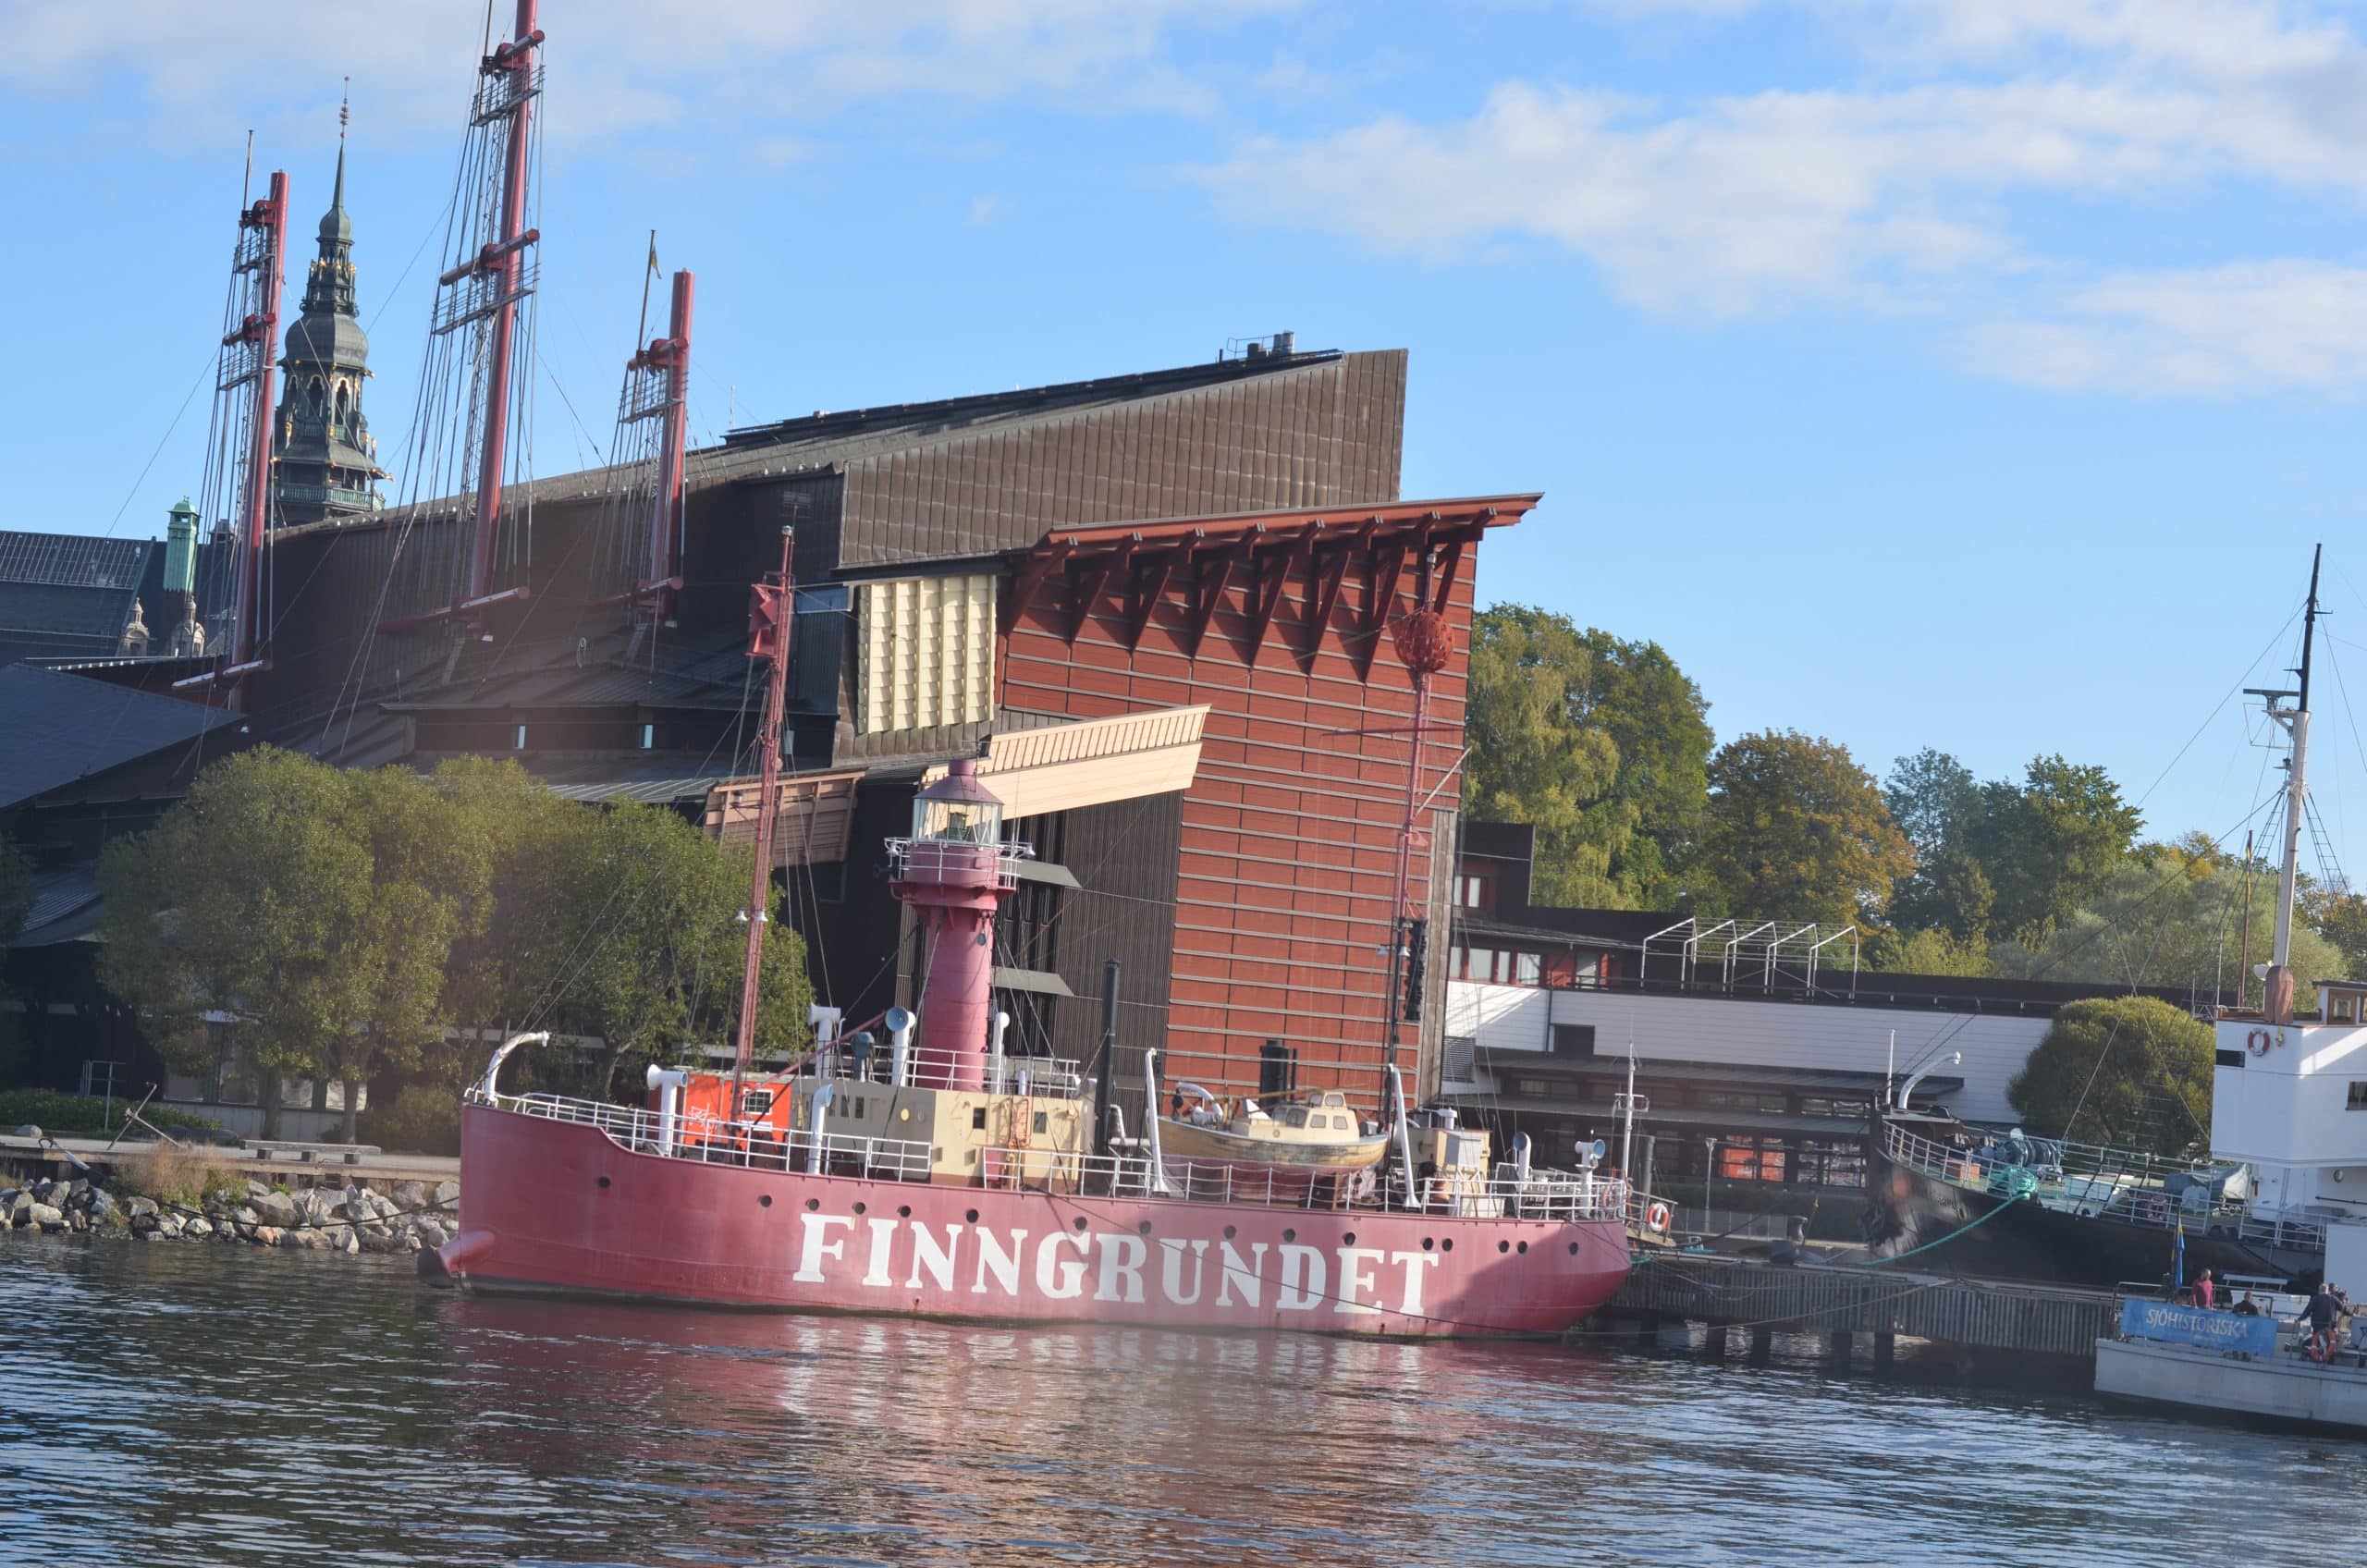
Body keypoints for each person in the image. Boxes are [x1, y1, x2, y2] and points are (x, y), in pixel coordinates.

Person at [2301, 1282, 2342, 1364]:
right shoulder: (2333, 1298)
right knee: (2330, 1344)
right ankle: (2329, 1362)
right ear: (2327, 1290)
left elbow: (2307, 1311)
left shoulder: (2315, 1299)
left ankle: (2316, 1361)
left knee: (2315, 1344)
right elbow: (2342, 1308)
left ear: (2319, 1290)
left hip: (2317, 1326)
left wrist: (2300, 1319)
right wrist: (2351, 1314)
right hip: (2329, 1326)